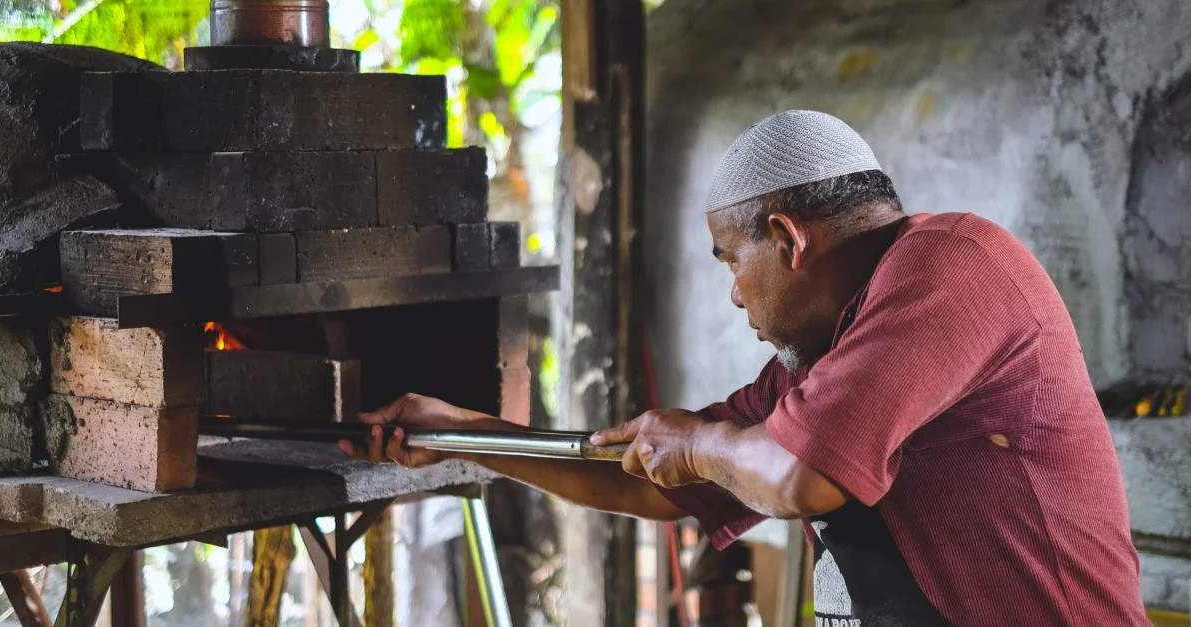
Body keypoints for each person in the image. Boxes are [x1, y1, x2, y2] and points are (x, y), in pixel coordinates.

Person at [341, 110, 1148, 626]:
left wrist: (695, 442)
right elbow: (652, 481)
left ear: (789, 238)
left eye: (732, 260)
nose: (735, 295)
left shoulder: (952, 264)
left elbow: (796, 474)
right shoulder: (831, 348)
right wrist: (464, 434)